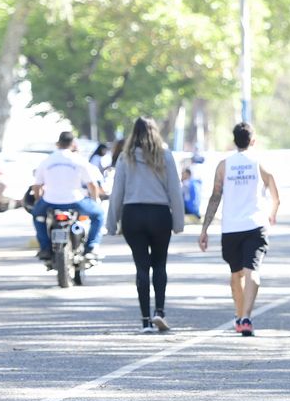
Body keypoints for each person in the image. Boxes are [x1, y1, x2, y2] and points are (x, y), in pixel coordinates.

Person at [199, 122, 280, 336]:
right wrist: (272, 213)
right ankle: (245, 317)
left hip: (231, 228)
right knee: (252, 271)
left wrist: (204, 228)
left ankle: (240, 315)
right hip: (255, 224)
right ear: (253, 141)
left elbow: (215, 196)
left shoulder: (224, 165)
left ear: (234, 141)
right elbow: (275, 194)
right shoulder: (259, 163)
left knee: (236, 273)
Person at [105, 117, 184, 334]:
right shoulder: (165, 156)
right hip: (159, 214)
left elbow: (117, 193)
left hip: (133, 214)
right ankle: (160, 310)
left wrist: (111, 223)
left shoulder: (125, 158)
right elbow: (174, 191)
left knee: (141, 267)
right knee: (160, 265)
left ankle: (145, 320)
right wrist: (178, 222)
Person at [30, 131, 105, 264]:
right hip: (75, 200)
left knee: (37, 216)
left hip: (50, 201)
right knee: (98, 215)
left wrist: (38, 200)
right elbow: (92, 185)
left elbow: (37, 186)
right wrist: (95, 200)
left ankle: (45, 248)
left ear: (58, 144)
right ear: (73, 144)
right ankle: (92, 246)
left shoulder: (47, 160)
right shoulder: (78, 160)